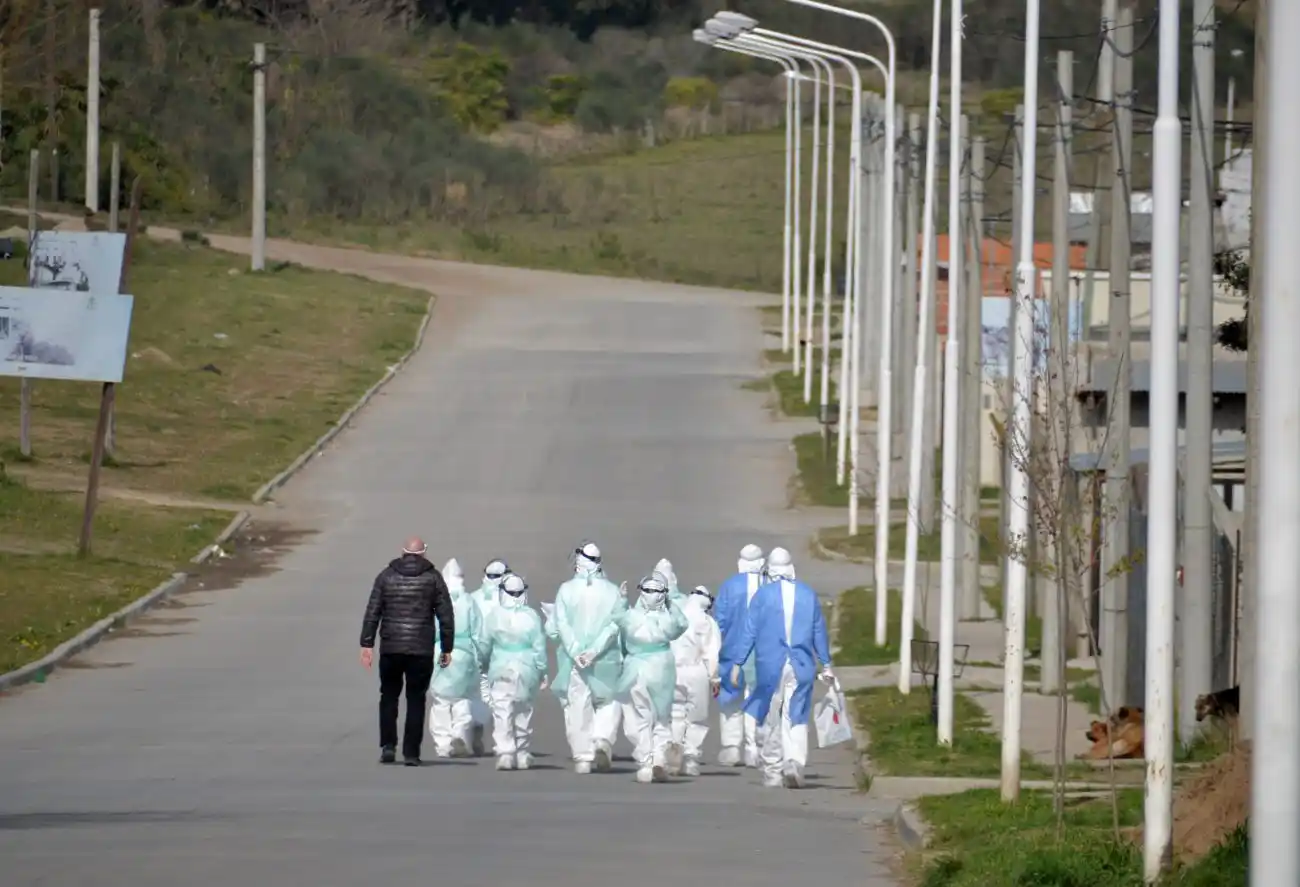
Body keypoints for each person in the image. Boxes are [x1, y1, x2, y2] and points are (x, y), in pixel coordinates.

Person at [718, 547, 834, 789]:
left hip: (770, 666)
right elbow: (818, 631)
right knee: (797, 715)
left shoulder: (763, 596)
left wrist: (738, 663)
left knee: (772, 716)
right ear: (791, 568)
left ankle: (773, 769)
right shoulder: (807, 594)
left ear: (769, 570)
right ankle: (794, 762)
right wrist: (826, 663)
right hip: (801, 666)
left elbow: (749, 632)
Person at [359, 537, 454, 767]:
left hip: (391, 647)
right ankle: (411, 752)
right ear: (424, 553)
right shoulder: (433, 578)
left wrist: (367, 644)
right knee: (416, 699)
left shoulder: (386, 576)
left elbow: (373, 611)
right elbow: (446, 614)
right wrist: (447, 647)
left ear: (402, 552)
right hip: (420, 649)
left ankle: (388, 746)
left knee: (389, 696)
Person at [554, 540, 627, 774]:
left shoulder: (566, 590)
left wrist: (576, 651)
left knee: (578, 705)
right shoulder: (613, 591)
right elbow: (616, 624)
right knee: (609, 701)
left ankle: (583, 756)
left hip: (575, 660)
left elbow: (561, 624)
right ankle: (603, 739)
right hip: (606, 657)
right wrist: (595, 650)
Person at [616, 573, 690, 783]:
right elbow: (682, 624)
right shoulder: (667, 620)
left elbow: (616, 619)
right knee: (661, 718)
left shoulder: (630, 617)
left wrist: (622, 599)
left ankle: (646, 762)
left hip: (636, 670)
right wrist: (670, 603)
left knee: (640, 718)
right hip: (662, 668)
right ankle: (658, 759)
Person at [480, 573, 549, 771]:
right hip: (527, 669)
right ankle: (522, 752)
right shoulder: (532, 617)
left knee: (502, 711)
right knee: (523, 710)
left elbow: (484, 644)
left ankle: (505, 753)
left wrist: (483, 665)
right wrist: (542, 670)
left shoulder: (494, 616)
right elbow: (539, 647)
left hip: (500, 668)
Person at [712, 543, 767, 767]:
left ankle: (732, 747)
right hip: (762, 653)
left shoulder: (729, 586)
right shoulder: (770, 586)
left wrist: (713, 652)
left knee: (730, 701)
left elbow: (720, 622)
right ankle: (755, 749)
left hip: (733, 651)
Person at [428, 558, 485, 758]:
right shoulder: (469, 601)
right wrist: (480, 658)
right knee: (463, 697)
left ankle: (443, 744)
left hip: (440, 652)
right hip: (464, 653)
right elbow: (479, 632)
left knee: (441, 700)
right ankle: (460, 731)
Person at [668, 585, 722, 777]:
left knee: (675, 712)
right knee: (697, 717)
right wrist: (714, 678)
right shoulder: (707, 621)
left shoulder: (674, 616)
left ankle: (674, 747)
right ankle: (691, 758)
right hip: (696, 669)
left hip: (673, 670)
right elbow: (712, 653)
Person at [470, 558, 511, 755]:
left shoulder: (474, 597)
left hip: (477, 653)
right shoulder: (509, 598)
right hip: (502, 654)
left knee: (480, 693)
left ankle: (478, 724)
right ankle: (501, 741)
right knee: (503, 697)